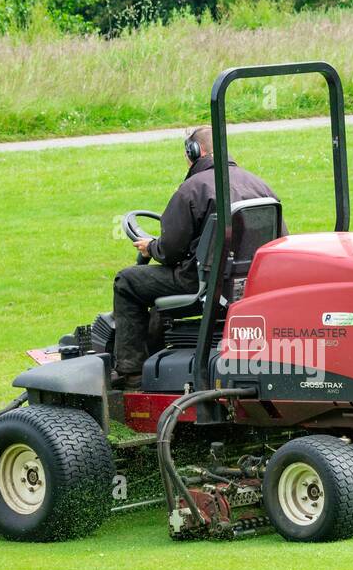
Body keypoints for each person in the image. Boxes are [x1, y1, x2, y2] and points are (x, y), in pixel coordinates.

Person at [111, 126, 285, 389]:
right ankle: (158, 354)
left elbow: (170, 251)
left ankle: (131, 371)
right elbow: (279, 241)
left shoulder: (192, 189)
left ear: (196, 150)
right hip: (249, 284)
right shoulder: (260, 185)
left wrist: (151, 248)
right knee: (156, 296)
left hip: (200, 283)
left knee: (127, 281)